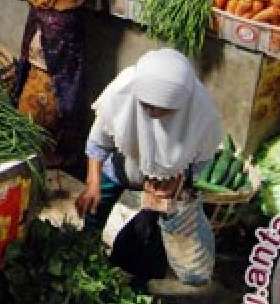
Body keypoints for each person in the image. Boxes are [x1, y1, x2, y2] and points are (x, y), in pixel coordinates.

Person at [75, 48, 221, 289]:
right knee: (94, 209)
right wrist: (92, 184)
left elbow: (202, 160)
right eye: (146, 105)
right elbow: (98, 142)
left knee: (147, 237)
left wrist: (179, 181)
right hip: (122, 166)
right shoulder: (123, 91)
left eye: (163, 109)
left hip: (163, 183)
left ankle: (137, 283)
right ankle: (84, 256)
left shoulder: (202, 114)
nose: (152, 113)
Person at [12, 0, 113, 166]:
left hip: (35, 34)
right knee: (61, 91)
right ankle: (53, 157)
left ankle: (27, 145)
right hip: (60, 40)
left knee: (33, 82)